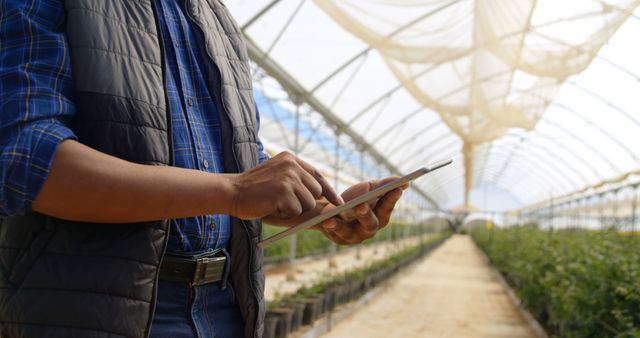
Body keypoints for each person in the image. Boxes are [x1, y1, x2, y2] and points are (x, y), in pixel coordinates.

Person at [0, 1, 406, 337]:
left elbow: (230, 169)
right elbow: (24, 157)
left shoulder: (216, 19)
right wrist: (235, 190)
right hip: (95, 309)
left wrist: (322, 211)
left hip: (225, 305)